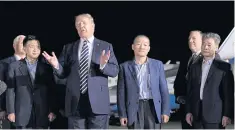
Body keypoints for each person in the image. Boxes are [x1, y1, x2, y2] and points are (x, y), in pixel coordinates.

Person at [42, 13, 119, 129]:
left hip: (98, 100)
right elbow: (62, 74)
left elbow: (114, 71)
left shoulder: (105, 46)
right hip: (74, 101)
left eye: (84, 23)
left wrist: (103, 66)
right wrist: (56, 65)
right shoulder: (68, 48)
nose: (81, 25)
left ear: (93, 26)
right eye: (78, 24)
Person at [117, 35, 170, 129]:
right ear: (133, 47)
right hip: (134, 108)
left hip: (152, 107)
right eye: (138, 44)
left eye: (145, 45)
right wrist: (122, 114)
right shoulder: (124, 67)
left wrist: (165, 111)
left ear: (149, 48)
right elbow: (121, 93)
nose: (142, 47)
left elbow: (164, 90)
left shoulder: (157, 65)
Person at [6, 35, 56, 129]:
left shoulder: (46, 68)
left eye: (38, 47)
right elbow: (10, 90)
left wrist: (52, 110)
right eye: (31, 46)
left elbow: (52, 91)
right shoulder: (14, 67)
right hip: (21, 113)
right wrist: (11, 111)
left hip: (42, 114)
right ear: (24, 49)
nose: (35, 49)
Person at [185, 32, 234, 129]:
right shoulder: (194, 67)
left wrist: (227, 114)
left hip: (215, 117)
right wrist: (188, 111)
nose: (205, 47)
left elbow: (228, 93)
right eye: (203, 44)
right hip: (196, 116)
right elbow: (190, 92)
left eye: (209, 45)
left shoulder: (223, 68)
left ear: (216, 47)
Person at [173, 30, 203, 129]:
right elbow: (178, 81)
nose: (190, 41)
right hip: (185, 109)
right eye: (189, 39)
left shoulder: (208, 59)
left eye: (194, 38)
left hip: (202, 109)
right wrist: (178, 96)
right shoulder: (186, 58)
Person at [0, 35, 26, 129]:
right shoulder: (3, 64)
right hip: (7, 113)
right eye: (22, 43)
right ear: (14, 46)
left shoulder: (34, 64)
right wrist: (1, 109)